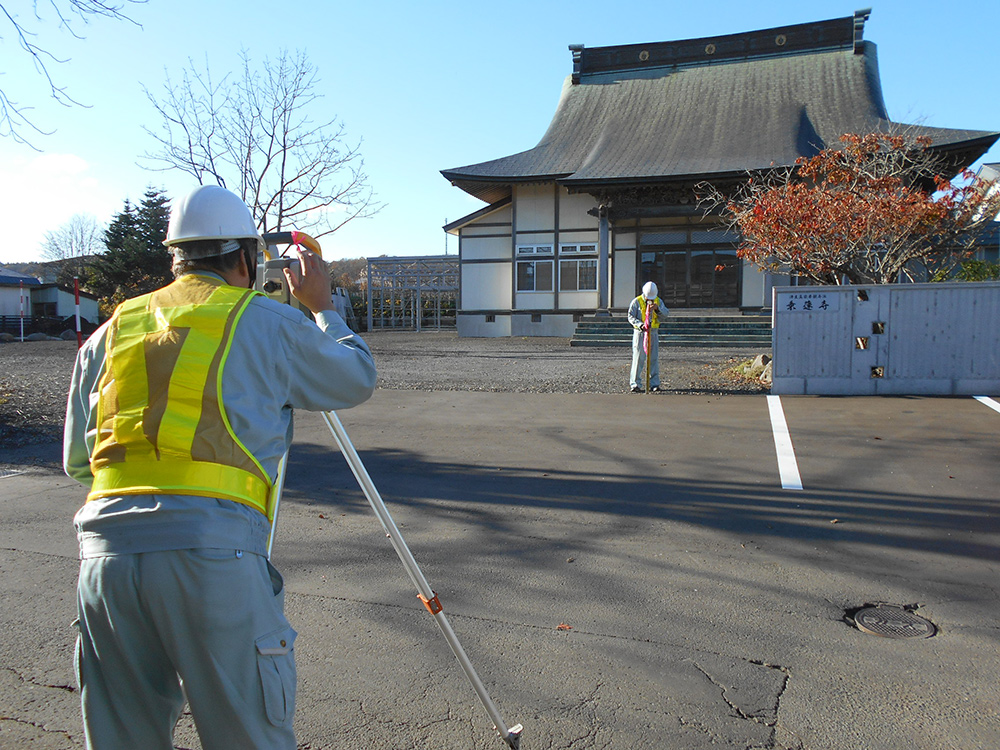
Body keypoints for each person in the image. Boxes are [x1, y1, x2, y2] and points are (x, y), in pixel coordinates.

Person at [63, 184, 377, 750]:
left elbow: (78, 462)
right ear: (245, 259)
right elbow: (353, 378)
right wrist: (324, 306)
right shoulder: (264, 321)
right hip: (212, 557)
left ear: (176, 258)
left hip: (104, 561)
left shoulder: (112, 331)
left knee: (120, 737)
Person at [627, 281, 670, 393]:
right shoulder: (636, 302)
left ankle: (654, 383)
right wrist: (640, 324)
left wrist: (657, 309)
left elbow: (665, 314)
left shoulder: (658, 301)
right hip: (640, 333)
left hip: (654, 332)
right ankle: (635, 383)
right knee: (638, 358)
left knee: (653, 358)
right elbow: (630, 316)